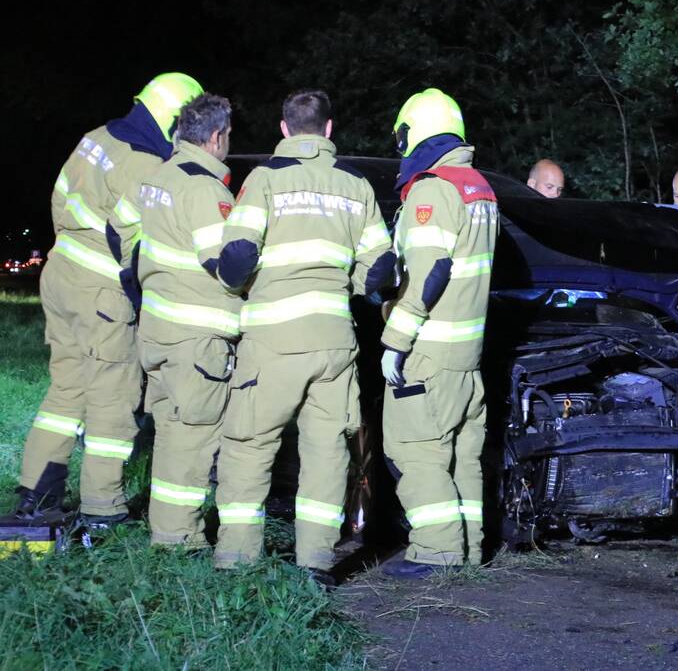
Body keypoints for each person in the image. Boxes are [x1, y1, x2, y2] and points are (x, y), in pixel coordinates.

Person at [213, 90, 394, 584]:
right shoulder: (355, 185)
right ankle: (315, 564)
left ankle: (237, 562)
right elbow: (380, 267)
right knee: (327, 452)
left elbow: (235, 260)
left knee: (249, 445)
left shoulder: (266, 179)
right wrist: (351, 286)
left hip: (273, 340)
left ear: (285, 129)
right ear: (329, 130)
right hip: (334, 341)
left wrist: (241, 288)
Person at [14, 73, 203, 527]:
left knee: (66, 389)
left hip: (61, 275)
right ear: (176, 118)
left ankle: (36, 495)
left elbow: (60, 201)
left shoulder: (96, 138)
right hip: (102, 290)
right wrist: (143, 299)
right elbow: (133, 243)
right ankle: (103, 508)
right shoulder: (144, 165)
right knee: (112, 400)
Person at [110, 94, 239, 547]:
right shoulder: (205, 188)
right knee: (195, 437)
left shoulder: (155, 178)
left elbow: (118, 229)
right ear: (217, 137)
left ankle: (165, 531)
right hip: (196, 340)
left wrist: (138, 280)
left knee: (170, 433)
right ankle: (179, 540)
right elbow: (224, 265)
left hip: (158, 332)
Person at [379, 88, 499, 579]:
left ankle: (436, 552)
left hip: (429, 350)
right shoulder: (479, 188)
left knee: (415, 450)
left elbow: (430, 273)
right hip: (467, 356)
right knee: (462, 457)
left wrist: (395, 341)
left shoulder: (433, 190)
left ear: (415, 133)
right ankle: (469, 549)